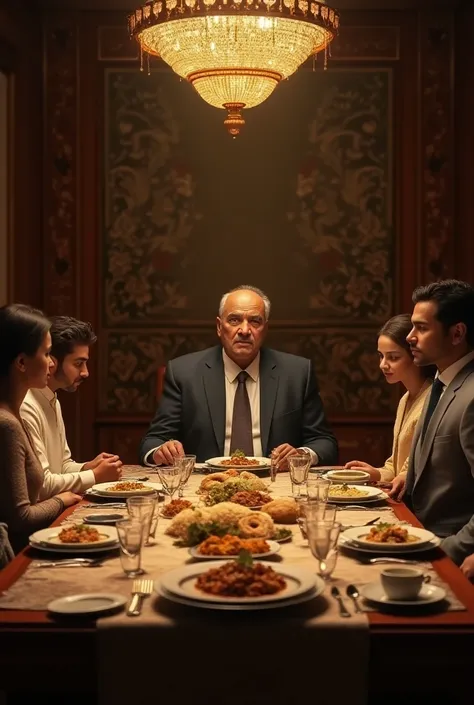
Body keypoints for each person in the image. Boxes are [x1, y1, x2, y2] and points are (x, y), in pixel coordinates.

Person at [139, 285, 338, 468]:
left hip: (276, 485)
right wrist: (161, 451)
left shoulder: (297, 373)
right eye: (234, 320)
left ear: (265, 329)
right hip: (205, 487)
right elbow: (153, 441)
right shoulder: (184, 372)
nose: (244, 330)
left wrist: (301, 455)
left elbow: (324, 443)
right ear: (219, 327)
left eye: (255, 321)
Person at [400, 280, 474, 565]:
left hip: (447, 547)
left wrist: (450, 551)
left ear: (457, 333)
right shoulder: (441, 382)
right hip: (417, 535)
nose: (409, 336)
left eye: (421, 327)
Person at [0, 304, 81, 553]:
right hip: (19, 555)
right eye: (47, 354)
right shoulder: (7, 424)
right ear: (22, 362)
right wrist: (61, 501)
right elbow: (20, 518)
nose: (51, 364)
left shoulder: (14, 413)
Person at [20, 316, 122, 499]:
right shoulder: (26, 406)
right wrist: (95, 476)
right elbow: (42, 485)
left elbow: (63, 465)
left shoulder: (52, 399)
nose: (85, 372)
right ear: (52, 361)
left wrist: (87, 467)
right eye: (78, 363)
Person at [344, 314, 434, 481]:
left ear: (415, 355)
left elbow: (412, 471)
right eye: (381, 356)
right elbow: (395, 466)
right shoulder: (405, 399)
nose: (383, 365)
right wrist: (375, 473)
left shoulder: (433, 399)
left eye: (393, 357)